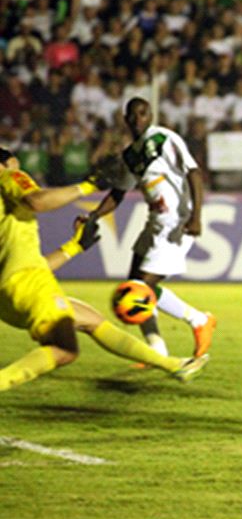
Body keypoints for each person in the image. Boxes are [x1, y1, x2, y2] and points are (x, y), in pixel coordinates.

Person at [0, 147, 207, 392]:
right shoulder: (8, 176)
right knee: (64, 350)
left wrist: (73, 247)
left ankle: (173, 365)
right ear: (10, 162)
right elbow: (37, 200)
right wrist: (89, 185)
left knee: (90, 319)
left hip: (9, 294)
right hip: (26, 283)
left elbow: (24, 263)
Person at [79, 98, 216, 360]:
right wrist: (95, 215)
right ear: (125, 118)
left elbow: (194, 174)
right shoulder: (131, 155)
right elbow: (118, 193)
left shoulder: (164, 139)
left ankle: (199, 320)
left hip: (177, 225)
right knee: (135, 283)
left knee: (139, 288)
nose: (138, 119)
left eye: (143, 113)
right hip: (154, 223)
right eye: (133, 115)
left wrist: (196, 216)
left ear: (150, 114)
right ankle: (156, 351)